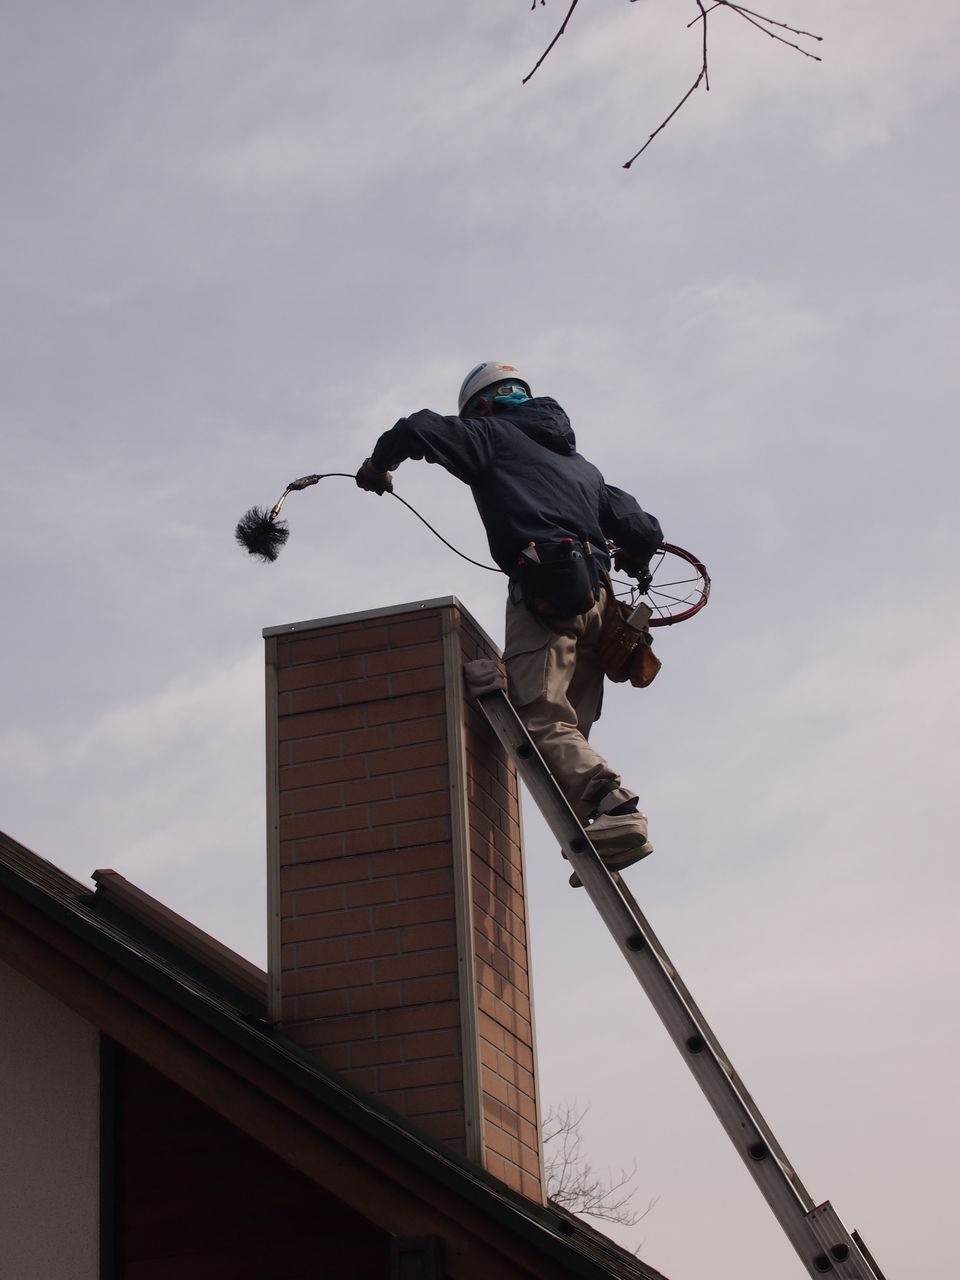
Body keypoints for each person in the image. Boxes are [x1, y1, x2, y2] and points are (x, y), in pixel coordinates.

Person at [356, 361, 663, 875]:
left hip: (548, 591)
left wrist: (378, 466)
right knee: (569, 729)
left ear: (481, 405)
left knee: (537, 715)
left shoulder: (490, 435)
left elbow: (416, 428)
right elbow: (641, 527)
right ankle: (603, 824)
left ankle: (613, 805)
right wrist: (632, 555)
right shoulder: (581, 465)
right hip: (600, 602)